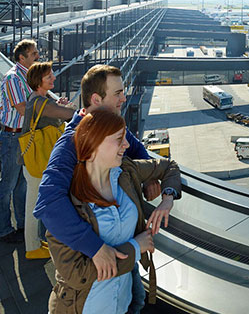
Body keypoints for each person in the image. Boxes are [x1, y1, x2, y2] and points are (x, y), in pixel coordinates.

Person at [35, 65, 163, 314]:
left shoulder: (111, 128)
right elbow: (48, 203)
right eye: (118, 93)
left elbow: (140, 155)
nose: (124, 98)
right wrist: (94, 246)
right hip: (98, 265)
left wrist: (155, 184)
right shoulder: (70, 143)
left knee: (132, 303)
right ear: (96, 99)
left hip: (124, 253)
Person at [47, 108, 181, 313]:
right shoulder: (67, 202)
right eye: (119, 139)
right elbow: (79, 274)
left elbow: (169, 166)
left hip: (123, 302)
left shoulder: (126, 172)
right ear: (95, 143)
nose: (127, 145)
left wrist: (168, 198)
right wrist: (136, 247)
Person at [22, 61, 76, 259]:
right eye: (49, 77)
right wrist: (68, 106)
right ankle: (31, 248)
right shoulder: (39, 103)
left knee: (36, 204)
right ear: (39, 81)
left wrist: (59, 106)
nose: (53, 78)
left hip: (37, 161)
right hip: (37, 163)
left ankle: (35, 243)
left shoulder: (38, 99)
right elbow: (72, 114)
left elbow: (54, 118)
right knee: (33, 208)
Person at [0, 39, 39, 243]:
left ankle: (23, 226)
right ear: (21, 58)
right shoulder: (14, 78)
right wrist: (47, 112)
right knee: (7, 185)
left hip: (21, 136)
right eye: (33, 54)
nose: (37, 57)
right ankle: (4, 229)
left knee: (21, 185)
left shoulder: (27, 78)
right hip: (13, 137)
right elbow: (23, 108)